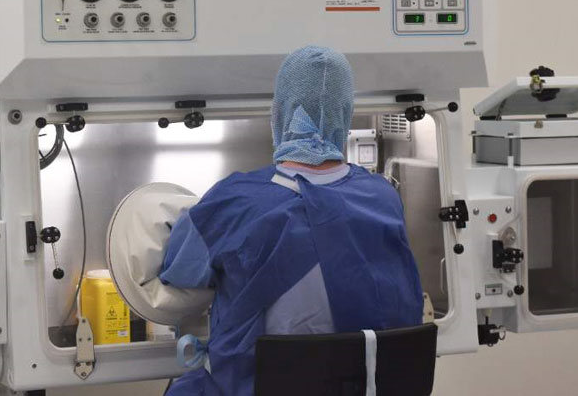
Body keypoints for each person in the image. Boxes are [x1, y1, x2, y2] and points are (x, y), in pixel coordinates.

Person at [159, 46, 423, 396]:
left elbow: (178, 271)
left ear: (280, 113)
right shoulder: (383, 197)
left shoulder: (234, 201)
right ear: (345, 114)